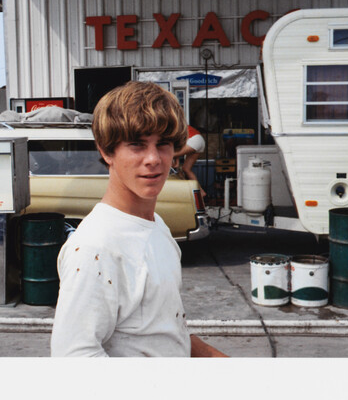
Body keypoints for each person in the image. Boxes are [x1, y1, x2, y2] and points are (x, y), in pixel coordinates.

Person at [50, 81, 225, 358]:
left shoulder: (157, 225)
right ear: (107, 151)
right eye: (137, 145)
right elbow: (75, 359)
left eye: (163, 144)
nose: (153, 159)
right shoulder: (96, 247)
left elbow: (162, 330)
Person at [172, 125, 206, 198]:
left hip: (193, 140)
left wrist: (176, 163)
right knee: (186, 169)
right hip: (200, 140)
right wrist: (176, 163)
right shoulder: (177, 124)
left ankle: (183, 189)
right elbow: (177, 147)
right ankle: (201, 191)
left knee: (169, 155)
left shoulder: (171, 127)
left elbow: (175, 147)